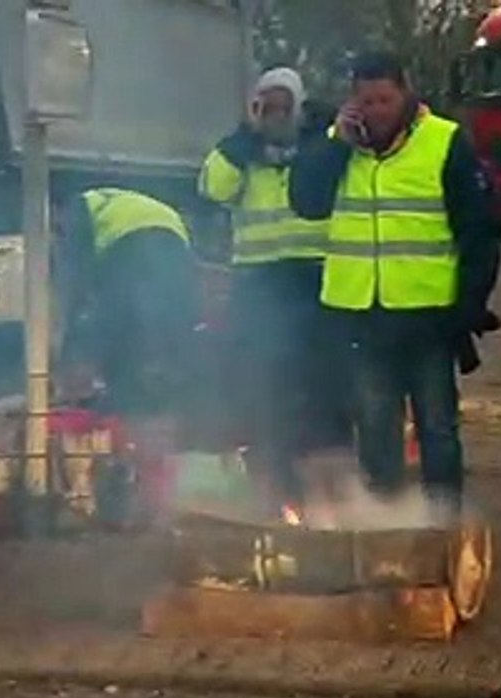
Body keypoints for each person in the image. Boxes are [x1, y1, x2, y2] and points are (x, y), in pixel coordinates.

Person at [289, 52, 501, 523]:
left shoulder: (445, 142)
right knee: (375, 426)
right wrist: (337, 145)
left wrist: (469, 305)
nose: (376, 110)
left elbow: (480, 230)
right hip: (359, 313)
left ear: (406, 93)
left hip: (428, 314)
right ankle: (389, 526)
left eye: (385, 99)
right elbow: (306, 202)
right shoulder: (337, 145)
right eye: (366, 100)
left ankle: (444, 527)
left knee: (437, 429)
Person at [198, 67, 339, 518]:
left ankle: (323, 491)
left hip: (316, 279)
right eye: (266, 106)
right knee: (263, 391)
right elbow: (211, 188)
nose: (276, 114)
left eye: (283, 105)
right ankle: (274, 490)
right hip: (258, 285)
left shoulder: (321, 142)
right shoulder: (241, 149)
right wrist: (245, 138)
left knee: (320, 391)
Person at [52, 187, 202, 522]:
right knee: (160, 370)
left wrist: (72, 353)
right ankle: (162, 491)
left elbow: (81, 289)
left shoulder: (77, 211)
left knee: (129, 365)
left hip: (134, 256)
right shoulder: (115, 201)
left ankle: (135, 489)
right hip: (176, 251)